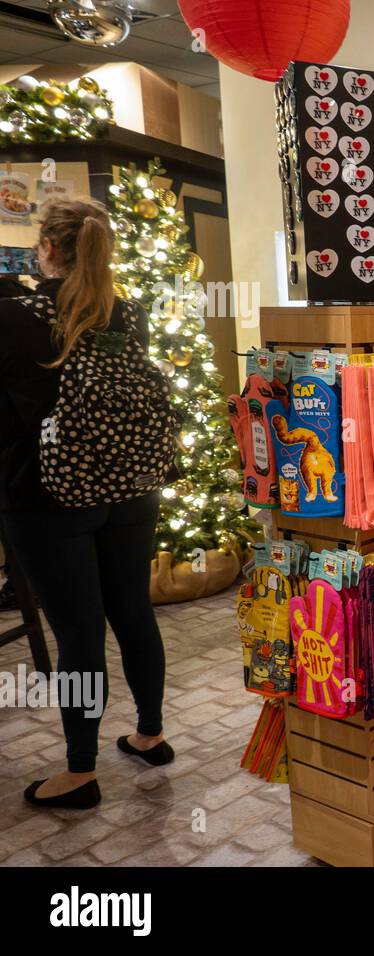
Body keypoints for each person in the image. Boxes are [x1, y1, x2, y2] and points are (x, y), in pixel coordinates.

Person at [0, 198, 174, 811]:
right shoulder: (123, 313)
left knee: (77, 632)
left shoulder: (14, 318)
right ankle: (150, 734)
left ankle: (79, 772)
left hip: (47, 496)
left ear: (46, 247)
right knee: (133, 611)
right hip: (131, 485)